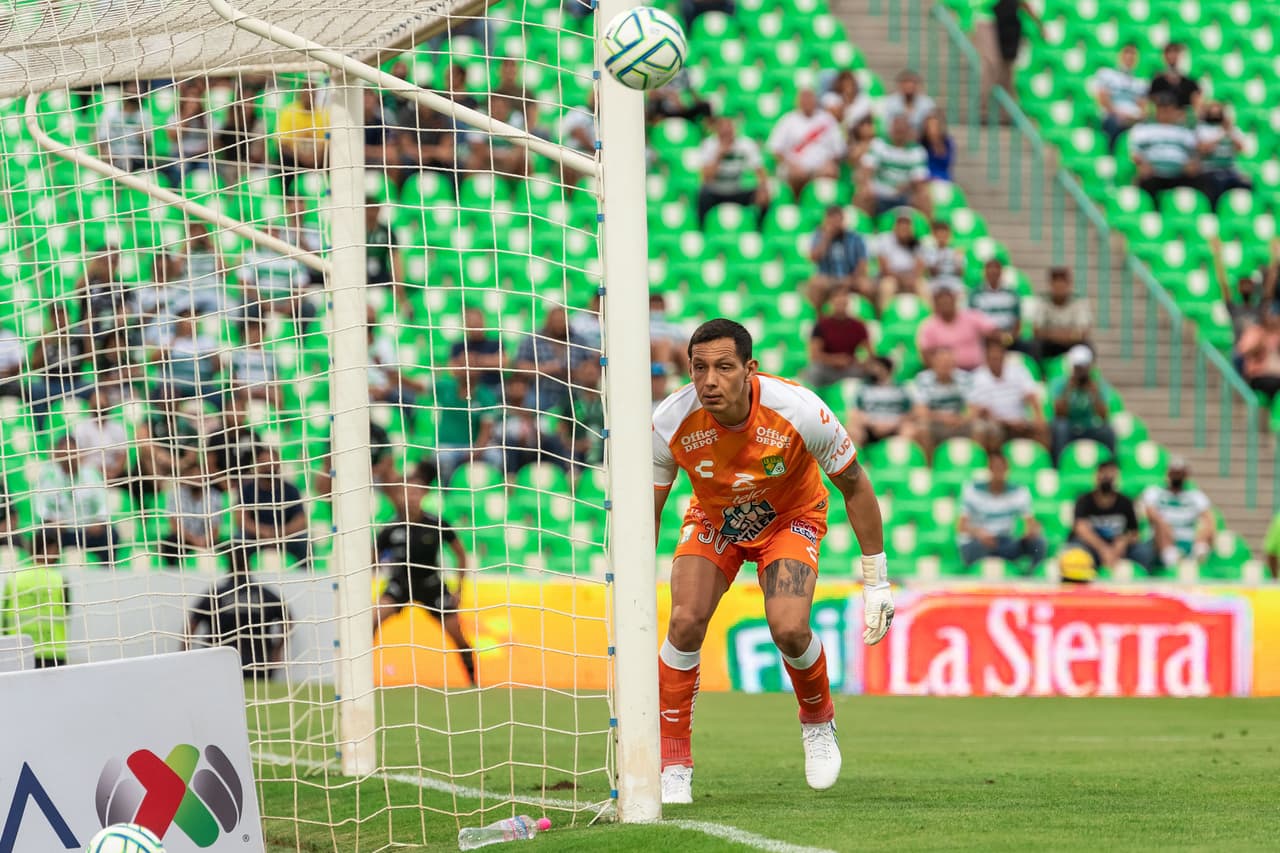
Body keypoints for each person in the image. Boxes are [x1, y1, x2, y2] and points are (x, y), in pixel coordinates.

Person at [652, 318, 893, 802]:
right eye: (699, 368)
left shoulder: (800, 410)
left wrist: (877, 581)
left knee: (788, 627)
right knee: (683, 622)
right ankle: (673, 762)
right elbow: (645, 512)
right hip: (715, 518)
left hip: (790, 518)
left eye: (723, 367)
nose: (709, 381)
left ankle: (818, 721)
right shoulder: (669, 422)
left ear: (750, 370)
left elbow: (856, 486)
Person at [374, 461, 476, 686]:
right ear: (400, 496)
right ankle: (360, 677)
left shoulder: (436, 523)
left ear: (424, 495)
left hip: (431, 584)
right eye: (407, 492)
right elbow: (372, 559)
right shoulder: (391, 527)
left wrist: (459, 590)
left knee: (458, 635)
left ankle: (473, 681)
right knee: (371, 620)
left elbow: (461, 554)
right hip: (400, 583)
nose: (411, 497)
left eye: (416, 492)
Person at [186, 567, 291, 679]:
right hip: (258, 664)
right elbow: (288, 620)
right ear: (249, 569)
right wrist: (277, 650)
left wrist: (185, 657)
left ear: (229, 569)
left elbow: (191, 627)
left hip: (221, 664)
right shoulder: (265, 594)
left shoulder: (216, 594)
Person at [33, 436, 120, 563]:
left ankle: (107, 572)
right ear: (57, 455)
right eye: (64, 454)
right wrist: (50, 521)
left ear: (79, 454)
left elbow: (103, 503)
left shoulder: (91, 474)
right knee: (43, 535)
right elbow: (40, 505)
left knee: (111, 535)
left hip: (87, 530)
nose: (69, 458)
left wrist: (99, 521)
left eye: (72, 454)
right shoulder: (47, 474)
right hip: (61, 531)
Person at [958, 451, 1046, 570]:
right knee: (972, 549)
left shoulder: (1019, 491)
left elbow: (1030, 522)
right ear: (989, 469)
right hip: (979, 542)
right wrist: (979, 533)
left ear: (1007, 469)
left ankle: (1032, 574)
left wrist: (1031, 532)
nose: (998, 472)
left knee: (1038, 542)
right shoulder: (972, 490)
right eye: (995, 468)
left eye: (1001, 468)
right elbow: (962, 526)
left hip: (1005, 542)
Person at [231, 445, 310, 573]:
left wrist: (279, 533)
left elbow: (301, 520)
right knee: (238, 540)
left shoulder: (290, 490)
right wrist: (265, 532)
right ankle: (240, 579)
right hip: (256, 537)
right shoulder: (247, 490)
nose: (269, 467)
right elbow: (241, 520)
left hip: (284, 536)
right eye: (265, 463)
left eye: (272, 463)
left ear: (278, 464)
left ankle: (305, 578)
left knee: (304, 542)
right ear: (257, 465)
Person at [1067, 459, 1156, 573]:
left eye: (1111, 474)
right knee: (1076, 549)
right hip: (1092, 545)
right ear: (1097, 476)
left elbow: (1134, 532)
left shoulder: (1125, 502)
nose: (1107, 477)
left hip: (1118, 547)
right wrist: (1103, 549)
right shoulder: (1084, 500)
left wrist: (1122, 542)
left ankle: (1141, 582)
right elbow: (1080, 528)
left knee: (1143, 551)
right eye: (1104, 473)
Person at [1, 532, 72, 668]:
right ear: (51, 549)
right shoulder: (60, 580)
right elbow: (66, 612)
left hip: (18, 651)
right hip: (52, 651)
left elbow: (4, 617)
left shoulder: (14, 578)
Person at [967, 337, 1048, 452]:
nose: (996, 360)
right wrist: (1007, 422)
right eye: (992, 357)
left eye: (998, 356)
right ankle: (996, 464)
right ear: (986, 358)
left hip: (1021, 420)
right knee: (991, 430)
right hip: (996, 422)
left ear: (1004, 356)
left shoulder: (1019, 371)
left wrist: (1039, 417)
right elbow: (981, 410)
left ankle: (1043, 464)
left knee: (1042, 428)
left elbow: (1031, 395)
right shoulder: (979, 377)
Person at [513, 305, 594, 412]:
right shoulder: (533, 339)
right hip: (541, 391)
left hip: (572, 392)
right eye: (556, 321)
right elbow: (520, 366)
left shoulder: (579, 340)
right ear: (548, 321)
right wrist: (546, 368)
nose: (559, 324)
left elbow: (591, 366)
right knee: (532, 404)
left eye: (562, 321)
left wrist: (575, 372)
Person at [1139, 458, 1215, 572]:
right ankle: (1173, 562)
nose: (1177, 477)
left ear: (1186, 475)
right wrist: (1166, 527)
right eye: (1174, 473)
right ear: (1168, 473)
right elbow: (1150, 513)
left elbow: (1209, 518)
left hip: (1189, 539)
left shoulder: (1195, 496)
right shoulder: (1155, 492)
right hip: (1162, 538)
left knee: (1208, 526)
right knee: (1160, 525)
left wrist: (1202, 533)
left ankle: (1196, 560)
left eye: (1180, 473)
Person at [766, 88, 844, 199]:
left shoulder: (827, 119)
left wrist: (830, 162)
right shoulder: (788, 120)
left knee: (831, 171)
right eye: (804, 98)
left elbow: (839, 149)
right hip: (795, 166)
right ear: (798, 101)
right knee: (797, 175)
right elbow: (775, 149)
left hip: (821, 166)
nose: (807, 101)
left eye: (810, 98)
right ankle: (796, 205)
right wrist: (790, 164)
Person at [695, 116, 770, 227]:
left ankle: (760, 230)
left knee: (765, 196)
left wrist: (763, 189)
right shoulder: (708, 145)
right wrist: (718, 156)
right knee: (702, 194)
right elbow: (706, 178)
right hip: (715, 191)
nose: (726, 131)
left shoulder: (746, 144)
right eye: (723, 128)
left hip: (737, 190)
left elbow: (760, 171)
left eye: (729, 127)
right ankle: (702, 229)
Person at [1129, 93, 1202, 206]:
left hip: (1179, 174)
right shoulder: (1144, 129)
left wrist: (1192, 164)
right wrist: (1142, 164)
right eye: (1162, 109)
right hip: (1153, 173)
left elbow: (1194, 155)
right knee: (1144, 182)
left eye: (1169, 109)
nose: (1165, 113)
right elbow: (1135, 153)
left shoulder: (1185, 132)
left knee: (1198, 182)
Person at [1048, 345, 1116, 463]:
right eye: (1078, 367)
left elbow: (1104, 416)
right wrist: (1068, 390)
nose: (1081, 371)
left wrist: (1095, 395)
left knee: (1108, 431)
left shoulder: (1098, 385)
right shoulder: (1061, 384)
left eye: (1083, 367)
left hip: (1089, 427)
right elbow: (1059, 413)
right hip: (1069, 426)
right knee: (1059, 427)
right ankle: (1057, 465)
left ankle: (1110, 467)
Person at [973, 0, 1041, 118]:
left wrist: (1038, 24)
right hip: (989, 19)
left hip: (1006, 24)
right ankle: (983, 109)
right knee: (992, 64)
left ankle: (1005, 112)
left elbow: (1024, 4)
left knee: (1007, 69)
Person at [856, 114, 931, 217]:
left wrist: (906, 186)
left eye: (902, 130)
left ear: (908, 131)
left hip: (904, 195)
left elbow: (919, 180)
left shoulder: (917, 151)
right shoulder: (879, 144)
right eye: (897, 129)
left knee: (924, 198)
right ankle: (866, 230)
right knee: (863, 194)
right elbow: (867, 168)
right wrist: (866, 185)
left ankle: (926, 230)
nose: (898, 132)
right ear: (891, 129)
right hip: (880, 193)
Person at [160, 452, 225, 568]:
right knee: (168, 544)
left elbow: (216, 527)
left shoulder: (214, 496)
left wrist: (204, 540)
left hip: (207, 539)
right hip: (184, 539)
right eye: (192, 475)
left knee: (229, 546)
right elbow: (174, 524)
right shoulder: (175, 494)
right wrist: (193, 540)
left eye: (199, 476)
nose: (196, 479)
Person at [917, 278, 997, 371]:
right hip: (949, 375)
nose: (945, 305)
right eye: (941, 302)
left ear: (955, 300)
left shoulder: (972, 317)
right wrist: (941, 372)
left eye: (947, 301)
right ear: (936, 305)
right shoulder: (929, 326)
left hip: (977, 370)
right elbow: (925, 354)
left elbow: (994, 333)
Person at [908, 346, 973, 456]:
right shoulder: (923, 379)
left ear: (954, 364)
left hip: (959, 422)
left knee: (981, 428)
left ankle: (976, 465)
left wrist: (962, 419)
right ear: (933, 364)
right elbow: (920, 411)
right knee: (922, 428)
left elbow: (973, 407)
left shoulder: (965, 378)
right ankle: (929, 468)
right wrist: (944, 418)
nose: (945, 366)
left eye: (948, 363)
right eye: (941, 362)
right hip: (935, 422)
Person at [803, 289, 872, 389]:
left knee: (871, 371)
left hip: (849, 368)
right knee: (814, 370)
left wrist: (860, 362)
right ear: (831, 302)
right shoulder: (822, 325)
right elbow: (814, 354)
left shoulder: (858, 325)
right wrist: (834, 360)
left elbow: (870, 352)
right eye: (837, 299)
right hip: (827, 368)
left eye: (843, 299)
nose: (840, 302)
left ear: (848, 302)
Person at [805, 205, 871, 309]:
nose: (836, 223)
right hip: (829, 279)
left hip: (851, 278)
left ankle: (873, 318)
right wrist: (827, 237)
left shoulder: (855, 237)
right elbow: (814, 257)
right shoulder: (819, 235)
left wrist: (851, 279)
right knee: (815, 284)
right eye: (832, 220)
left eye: (838, 219)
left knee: (866, 286)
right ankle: (815, 318)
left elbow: (863, 263)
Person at [847, 356, 917, 448]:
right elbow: (855, 413)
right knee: (853, 430)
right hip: (870, 427)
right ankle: (861, 459)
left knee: (910, 430)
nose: (873, 370)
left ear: (887, 369)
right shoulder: (864, 388)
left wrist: (893, 424)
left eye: (877, 367)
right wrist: (871, 423)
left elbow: (910, 413)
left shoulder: (901, 389)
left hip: (895, 427)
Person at [1195, 102, 1251, 208]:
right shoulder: (1203, 129)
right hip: (1210, 170)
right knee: (1217, 184)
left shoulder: (1232, 130)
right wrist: (1220, 134)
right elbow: (1204, 149)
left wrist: (1229, 131)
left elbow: (1242, 148)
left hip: (1230, 170)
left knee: (1245, 183)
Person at [1031, 267, 1092, 361]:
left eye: (1062, 285)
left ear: (1069, 284)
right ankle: (1039, 374)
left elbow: (1084, 332)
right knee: (1034, 346)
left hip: (1072, 344)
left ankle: (1084, 375)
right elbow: (1036, 331)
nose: (1059, 289)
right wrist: (1064, 334)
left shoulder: (1079, 302)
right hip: (1049, 345)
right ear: (1051, 284)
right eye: (1056, 284)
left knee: (1086, 347)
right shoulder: (1042, 301)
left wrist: (1053, 334)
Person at [1094, 44, 1148, 151]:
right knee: (1113, 124)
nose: (1129, 57)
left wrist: (1137, 117)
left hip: (1133, 118)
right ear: (1120, 56)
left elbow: (1143, 106)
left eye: (1133, 55)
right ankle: (1111, 155)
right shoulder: (1106, 74)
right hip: (1112, 116)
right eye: (1126, 53)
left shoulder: (1140, 82)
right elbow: (1103, 99)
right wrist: (1118, 113)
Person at [968, 258, 1027, 351]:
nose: (993, 272)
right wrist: (995, 336)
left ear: (1001, 272)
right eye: (989, 269)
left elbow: (1017, 320)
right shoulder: (976, 294)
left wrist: (1010, 337)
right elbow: (973, 321)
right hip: (985, 338)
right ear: (984, 272)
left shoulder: (1011, 293)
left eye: (996, 269)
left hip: (1009, 337)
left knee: (1031, 346)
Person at [872, 211, 928, 308]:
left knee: (923, 286)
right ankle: (885, 316)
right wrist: (901, 280)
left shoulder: (916, 243)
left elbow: (920, 268)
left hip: (910, 278)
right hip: (891, 277)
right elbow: (884, 269)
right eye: (901, 226)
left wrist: (911, 279)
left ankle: (928, 318)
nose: (904, 229)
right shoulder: (885, 240)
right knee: (887, 286)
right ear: (895, 227)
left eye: (907, 226)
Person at [96, 81, 152, 172]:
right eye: (131, 88)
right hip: (114, 158)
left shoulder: (144, 115)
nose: (134, 91)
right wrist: (107, 158)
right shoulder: (110, 113)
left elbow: (149, 145)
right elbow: (101, 141)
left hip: (137, 160)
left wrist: (143, 137)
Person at [276, 87, 330, 173]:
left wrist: (318, 156)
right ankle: (285, 186)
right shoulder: (289, 112)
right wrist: (300, 156)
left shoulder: (324, 114)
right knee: (283, 158)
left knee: (331, 155)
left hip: (319, 157)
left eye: (312, 94)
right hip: (295, 157)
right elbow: (281, 143)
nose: (309, 97)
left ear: (316, 95)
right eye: (306, 94)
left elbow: (328, 143)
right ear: (300, 95)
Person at [448, 307, 504, 389]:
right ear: (465, 324)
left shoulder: (495, 343)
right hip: (466, 389)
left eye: (477, 321)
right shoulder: (458, 346)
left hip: (492, 388)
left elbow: (502, 363)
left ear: (483, 322)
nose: (475, 325)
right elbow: (453, 370)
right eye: (471, 322)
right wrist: (488, 361)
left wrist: (473, 360)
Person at [1236, 306, 1280, 399]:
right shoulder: (1254, 331)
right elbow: (1241, 351)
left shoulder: (1277, 334)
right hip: (1258, 375)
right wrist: (1261, 343)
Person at [1148, 41, 1201, 111]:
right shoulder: (1157, 82)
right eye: (1169, 53)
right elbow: (1152, 105)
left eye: (1176, 52)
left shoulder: (1191, 83)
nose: (1172, 56)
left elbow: (1197, 107)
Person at [920, 112, 955, 182]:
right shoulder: (921, 143)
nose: (932, 129)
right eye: (930, 126)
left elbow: (947, 162)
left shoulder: (947, 142)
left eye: (935, 126)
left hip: (944, 179)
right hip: (926, 180)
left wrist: (936, 142)